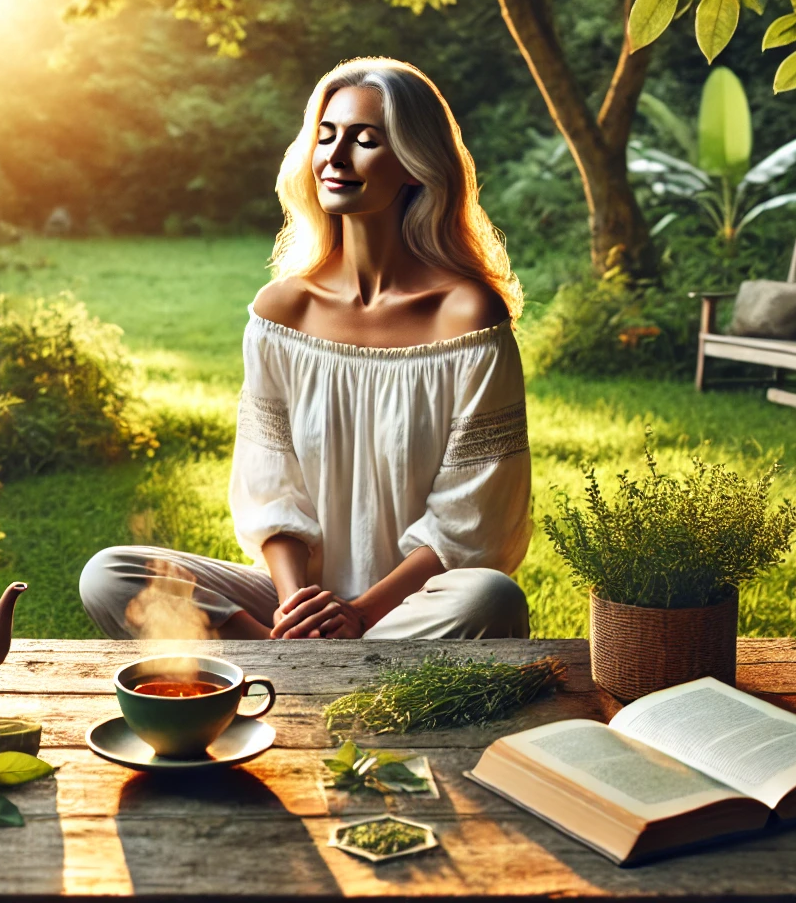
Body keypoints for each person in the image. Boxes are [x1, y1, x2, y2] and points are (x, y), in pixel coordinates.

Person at [80, 57, 531, 640]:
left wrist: (362, 613)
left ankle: (280, 667)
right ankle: (301, 656)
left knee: (491, 597)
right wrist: (298, 607)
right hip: (296, 600)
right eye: (326, 136)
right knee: (110, 575)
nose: (336, 157)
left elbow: (472, 520)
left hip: (411, 604)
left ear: (415, 166)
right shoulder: (281, 311)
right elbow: (273, 491)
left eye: (365, 140)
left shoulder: (467, 317)